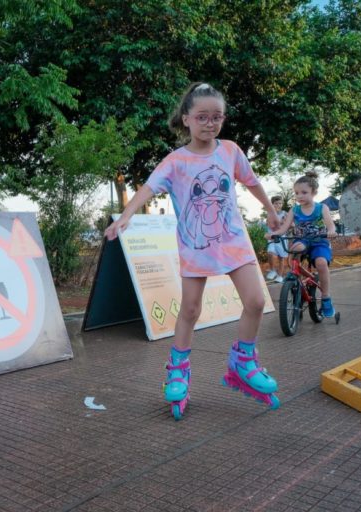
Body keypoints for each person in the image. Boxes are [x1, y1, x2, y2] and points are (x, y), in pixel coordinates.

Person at [105, 82, 281, 419]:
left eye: (217, 117)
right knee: (190, 309)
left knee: (256, 302)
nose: (210, 123)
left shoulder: (230, 150)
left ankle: (243, 362)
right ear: (186, 119)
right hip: (196, 245)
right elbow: (148, 188)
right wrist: (125, 217)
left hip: (233, 242)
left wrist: (271, 212)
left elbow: (252, 181)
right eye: (202, 117)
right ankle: (178, 368)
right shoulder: (176, 160)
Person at [268, 171, 337, 317]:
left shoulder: (321, 208)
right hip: (302, 240)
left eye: (304, 192)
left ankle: (326, 297)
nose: (299, 196)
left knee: (321, 263)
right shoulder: (295, 210)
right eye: (297, 193)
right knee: (295, 249)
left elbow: (331, 225)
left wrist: (331, 231)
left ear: (314, 192)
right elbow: (284, 228)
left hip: (320, 241)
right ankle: (294, 281)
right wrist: (274, 234)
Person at [265, 196, 288, 283]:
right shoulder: (270, 213)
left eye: (280, 203)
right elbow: (270, 225)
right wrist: (280, 223)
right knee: (270, 252)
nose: (278, 205)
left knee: (281, 257)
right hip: (272, 237)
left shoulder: (285, 214)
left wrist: (285, 223)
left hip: (282, 237)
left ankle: (280, 276)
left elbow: (290, 225)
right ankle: (272, 270)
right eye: (276, 203)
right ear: (272, 204)